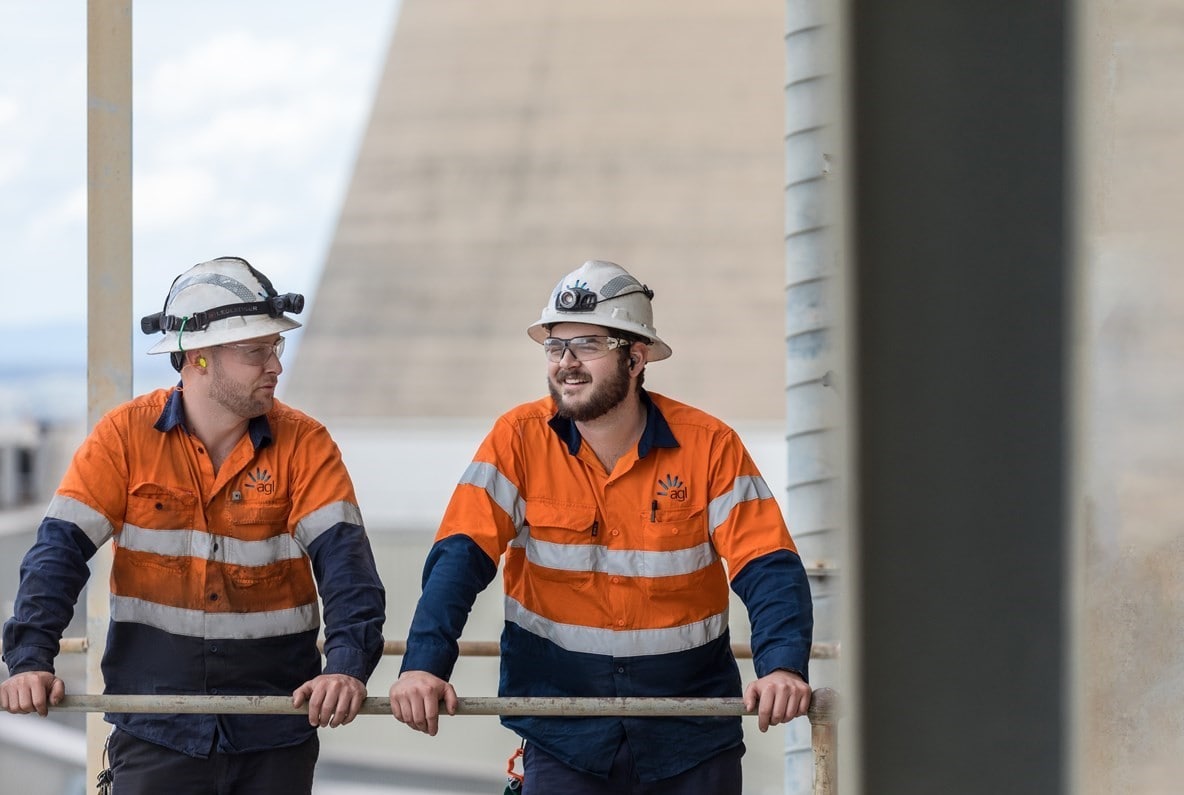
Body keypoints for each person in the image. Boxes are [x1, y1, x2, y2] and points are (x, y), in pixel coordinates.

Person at [388, 260, 813, 794]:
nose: (565, 363)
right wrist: (424, 666)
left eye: (586, 345)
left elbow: (767, 565)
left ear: (635, 357)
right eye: (553, 347)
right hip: (566, 734)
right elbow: (459, 557)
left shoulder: (710, 446)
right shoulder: (517, 439)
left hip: (692, 737)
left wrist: (782, 667)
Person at [0, 256, 386, 794]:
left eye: (276, 347)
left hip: (275, 737)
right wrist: (28, 659)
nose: (275, 365)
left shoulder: (307, 444)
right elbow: (56, 554)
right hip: (156, 732)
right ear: (199, 359)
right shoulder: (124, 438)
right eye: (256, 352)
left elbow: (348, 570)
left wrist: (346, 665)